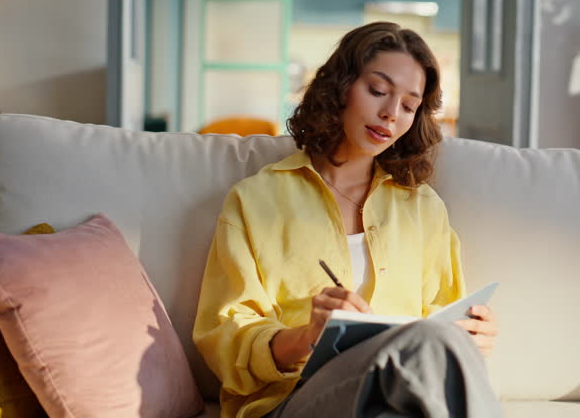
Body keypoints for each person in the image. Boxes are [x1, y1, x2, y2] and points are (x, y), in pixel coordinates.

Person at [193, 21, 501, 418]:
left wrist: (472, 337)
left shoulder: (423, 207)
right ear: (340, 87)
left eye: (409, 105)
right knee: (422, 346)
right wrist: (306, 336)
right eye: (378, 91)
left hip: (396, 395)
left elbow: (443, 318)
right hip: (292, 401)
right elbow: (226, 341)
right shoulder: (255, 200)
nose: (390, 114)